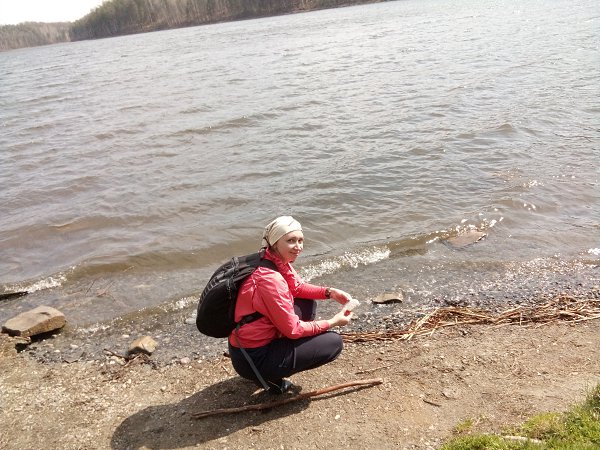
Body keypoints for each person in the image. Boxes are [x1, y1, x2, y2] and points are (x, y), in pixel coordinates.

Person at [228, 216, 354, 394]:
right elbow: (293, 330)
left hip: (243, 346)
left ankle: (280, 353)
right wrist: (334, 321)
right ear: (274, 242)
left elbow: (297, 288)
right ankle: (270, 378)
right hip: (253, 359)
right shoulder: (270, 279)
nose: (298, 246)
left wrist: (330, 292)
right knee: (334, 343)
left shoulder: (270, 259)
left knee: (306, 303)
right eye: (291, 241)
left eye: (300, 240)